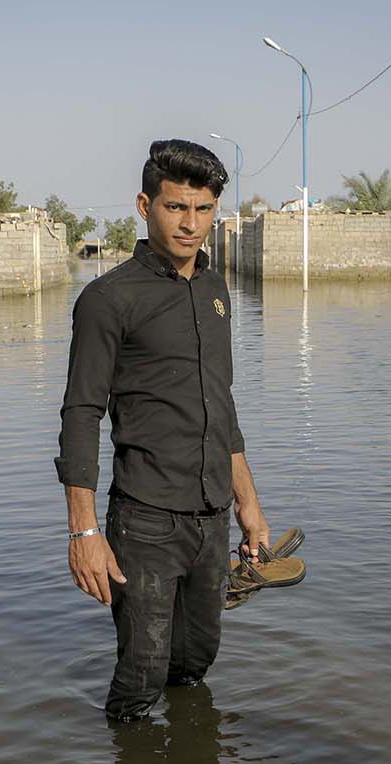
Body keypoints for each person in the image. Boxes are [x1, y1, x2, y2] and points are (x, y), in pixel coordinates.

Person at [55, 139, 271, 722]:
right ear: (144, 205)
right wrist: (83, 533)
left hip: (211, 515)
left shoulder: (215, 290)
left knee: (198, 657)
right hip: (147, 520)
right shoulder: (108, 299)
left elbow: (219, 408)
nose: (190, 224)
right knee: (141, 674)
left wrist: (248, 507)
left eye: (203, 210)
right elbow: (81, 413)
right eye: (176, 208)